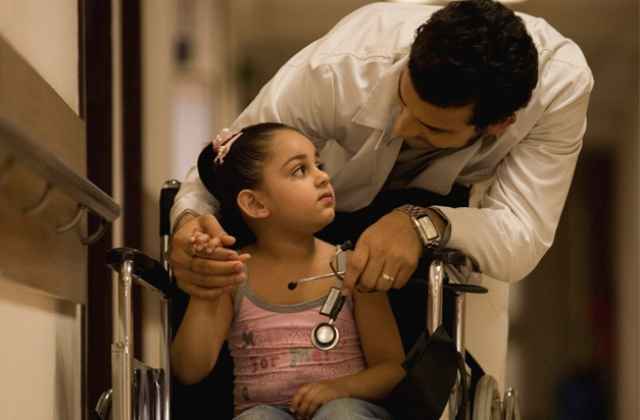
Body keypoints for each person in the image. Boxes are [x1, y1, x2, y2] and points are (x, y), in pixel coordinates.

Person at [169, 0, 594, 385]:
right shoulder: (339, 68)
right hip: (325, 208)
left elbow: (522, 232)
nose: (403, 127)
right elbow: (233, 158)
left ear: (499, 125)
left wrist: (423, 223)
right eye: (402, 100)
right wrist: (187, 224)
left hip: (455, 221)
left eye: (431, 127)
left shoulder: (562, 86)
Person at [170, 122, 405, 420]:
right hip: (263, 413)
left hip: (347, 407)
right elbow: (188, 370)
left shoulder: (353, 265)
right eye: (299, 170)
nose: (323, 177)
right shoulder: (234, 273)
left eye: (318, 165)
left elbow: (392, 369)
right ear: (254, 203)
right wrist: (207, 290)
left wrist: (338, 389)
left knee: (340, 414)